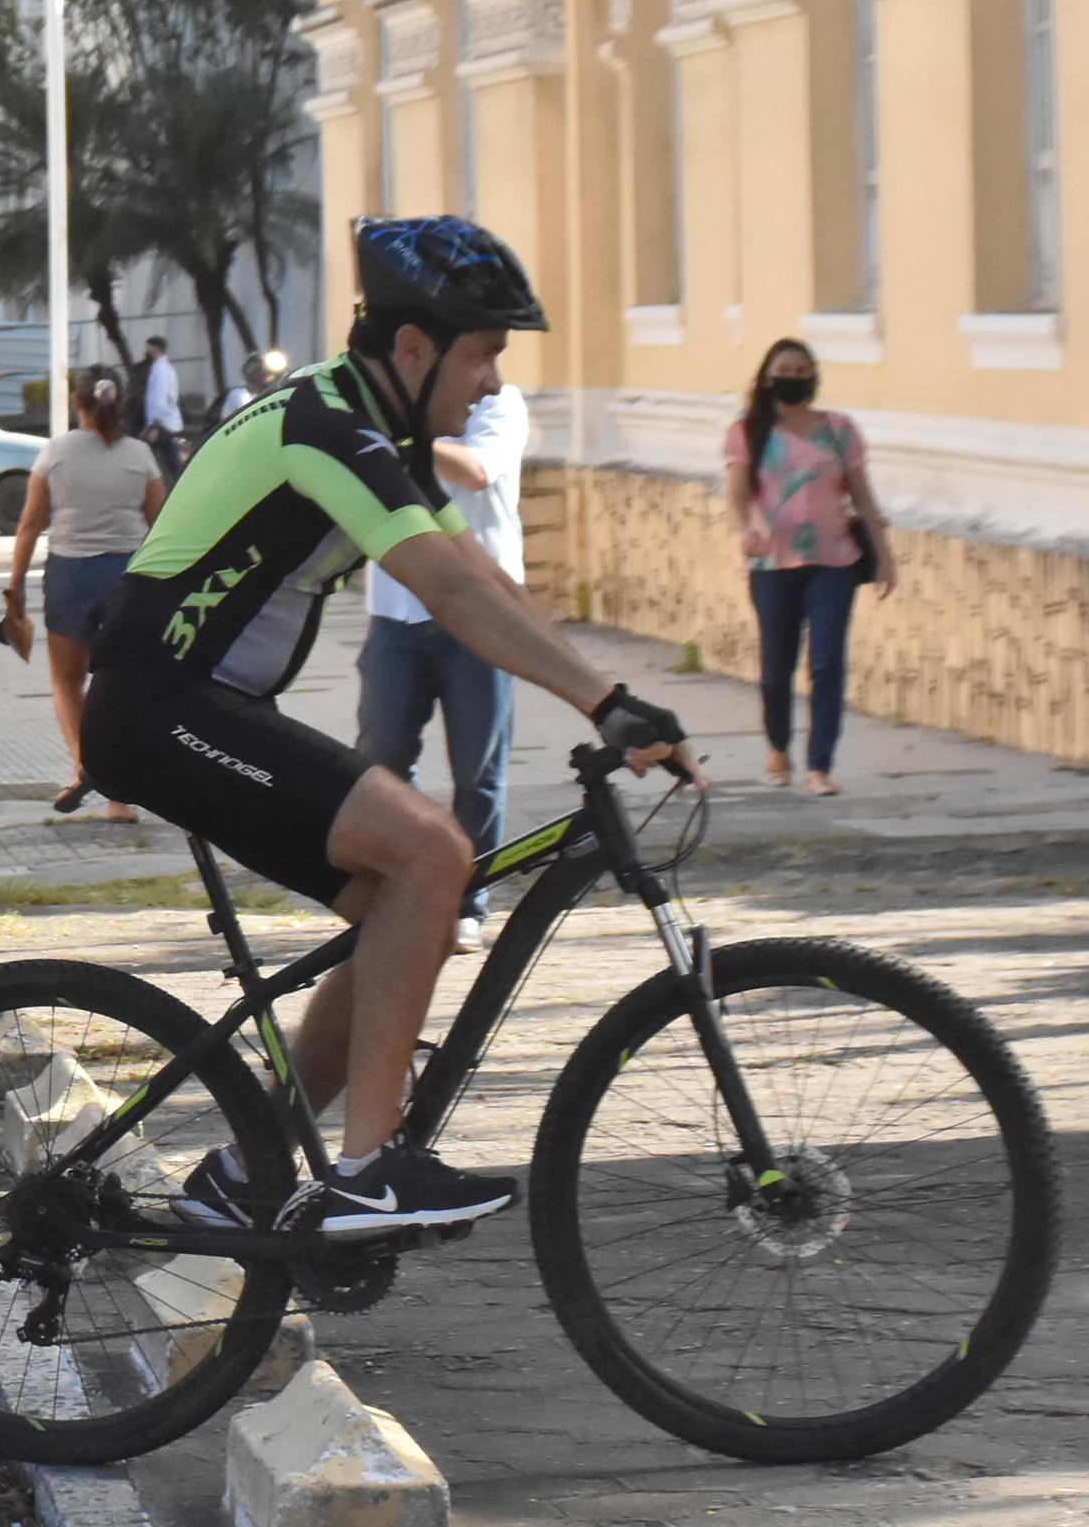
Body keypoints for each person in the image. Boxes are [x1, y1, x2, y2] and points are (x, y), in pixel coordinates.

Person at [81, 215, 692, 1234]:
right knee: (430, 850)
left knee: (398, 907)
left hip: (197, 704)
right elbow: (447, 588)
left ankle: (252, 1167)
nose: (491, 384)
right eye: (483, 354)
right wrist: (601, 705)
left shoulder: (368, 427)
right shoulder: (328, 422)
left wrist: (608, 690)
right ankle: (369, 1169)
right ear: (412, 349)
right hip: (159, 704)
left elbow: (483, 575)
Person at [356, 379, 530, 956]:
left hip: (480, 616)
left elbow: (477, 471)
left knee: (478, 770)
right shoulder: (390, 406)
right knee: (381, 760)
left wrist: (399, 440)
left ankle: (468, 903)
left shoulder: (497, 403)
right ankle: (401, 888)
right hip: (396, 608)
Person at [724, 338, 893, 797]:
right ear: (767, 376)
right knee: (776, 666)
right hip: (772, 562)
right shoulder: (750, 431)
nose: (793, 377)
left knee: (826, 662)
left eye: (802, 370)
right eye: (784, 369)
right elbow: (737, 494)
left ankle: (820, 765)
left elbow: (861, 494)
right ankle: (778, 748)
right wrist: (743, 530)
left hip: (834, 560)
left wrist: (885, 553)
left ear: (814, 377)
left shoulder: (839, 430)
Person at [0, 366, 165, 820]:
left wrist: (14, 586)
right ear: (121, 404)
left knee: (68, 681)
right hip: (129, 577)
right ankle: (118, 797)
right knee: (121, 683)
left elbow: (30, 523)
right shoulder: (141, 456)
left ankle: (81, 768)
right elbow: (163, 527)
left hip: (70, 578)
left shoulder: (56, 453)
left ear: (78, 403)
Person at [138, 336, 185, 481]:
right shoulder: (166, 369)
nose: (146, 350)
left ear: (156, 348)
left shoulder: (160, 371)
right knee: (170, 460)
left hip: (161, 423)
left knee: (166, 463)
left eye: (149, 346)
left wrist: (154, 425)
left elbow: (158, 400)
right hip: (166, 421)